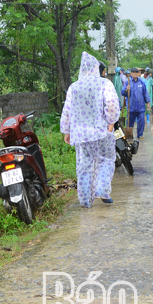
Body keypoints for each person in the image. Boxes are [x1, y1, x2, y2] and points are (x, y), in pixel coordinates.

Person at [61, 52, 121, 208]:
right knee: (106, 159)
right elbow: (112, 104)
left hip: (81, 134)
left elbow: (67, 110)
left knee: (85, 165)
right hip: (102, 132)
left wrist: (67, 131)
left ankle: (86, 201)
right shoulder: (104, 84)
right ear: (96, 68)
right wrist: (111, 121)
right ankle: (101, 189)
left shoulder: (73, 87)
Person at [122, 68, 150, 140]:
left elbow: (145, 93)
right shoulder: (128, 82)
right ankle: (129, 135)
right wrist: (126, 89)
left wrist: (148, 102)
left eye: (136, 72)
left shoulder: (141, 82)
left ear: (138, 73)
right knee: (130, 122)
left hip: (140, 107)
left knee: (141, 122)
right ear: (131, 73)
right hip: (131, 107)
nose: (134, 74)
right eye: (133, 72)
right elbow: (122, 93)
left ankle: (140, 134)